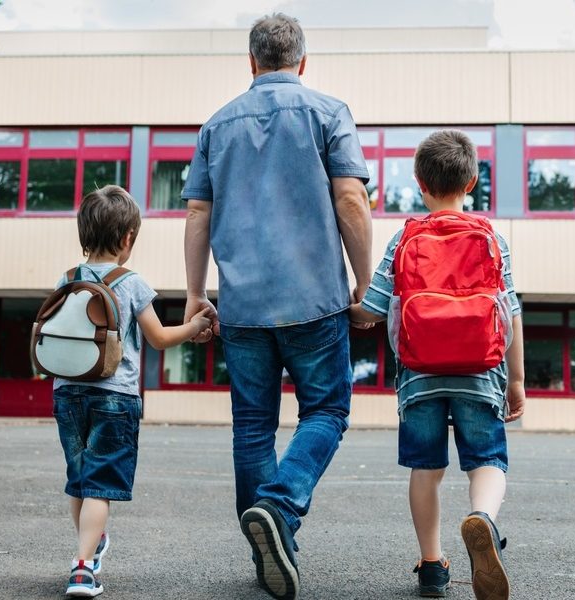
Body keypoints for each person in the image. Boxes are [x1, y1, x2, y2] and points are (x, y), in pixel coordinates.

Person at [181, 13, 373, 600]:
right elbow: (350, 199)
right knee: (327, 412)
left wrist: (195, 294)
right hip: (314, 300)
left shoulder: (216, 125)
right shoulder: (328, 113)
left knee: (253, 427)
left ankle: (270, 547)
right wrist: (365, 285)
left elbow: (196, 213)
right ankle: (280, 508)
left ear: (252, 63)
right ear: (303, 62)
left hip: (241, 306)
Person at [349, 130, 525, 600]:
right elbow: (510, 313)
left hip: (420, 375)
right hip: (481, 372)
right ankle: (482, 518)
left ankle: (432, 565)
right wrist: (519, 382)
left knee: (425, 468)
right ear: (472, 181)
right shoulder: (492, 238)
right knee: (487, 460)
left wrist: (356, 306)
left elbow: (372, 308)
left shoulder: (405, 237)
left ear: (418, 182)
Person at [52, 185, 212, 597]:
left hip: (67, 392)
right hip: (114, 396)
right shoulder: (132, 283)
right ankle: (84, 568)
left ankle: (90, 542)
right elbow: (158, 338)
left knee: (81, 479)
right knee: (101, 483)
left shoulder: (68, 278)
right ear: (127, 239)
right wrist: (194, 328)